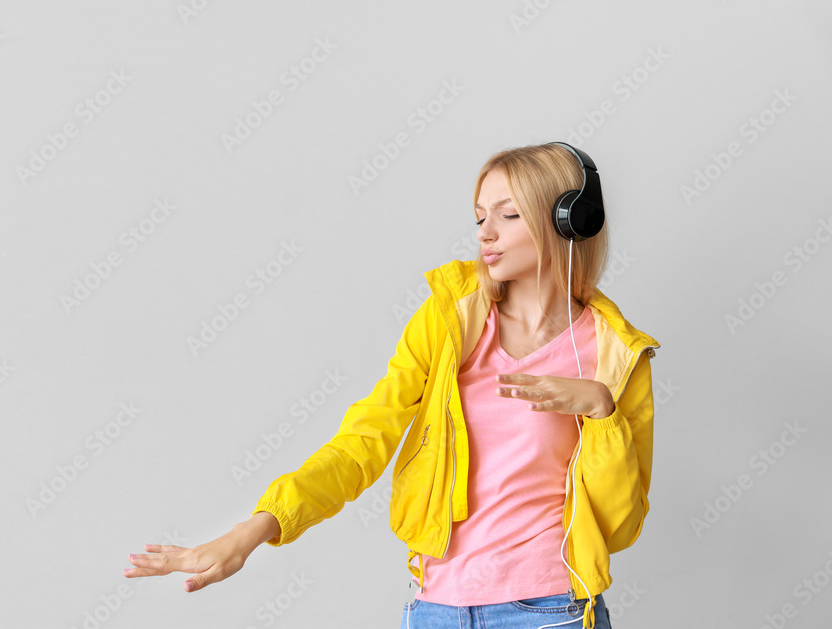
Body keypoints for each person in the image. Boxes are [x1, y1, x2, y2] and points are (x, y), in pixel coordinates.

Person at [121, 142, 660, 629]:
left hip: (550, 609)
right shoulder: (449, 321)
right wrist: (257, 528)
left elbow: (619, 524)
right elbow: (365, 438)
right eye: (479, 216)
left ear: (571, 222)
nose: (484, 233)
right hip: (434, 609)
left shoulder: (615, 354)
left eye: (509, 214)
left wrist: (601, 411)